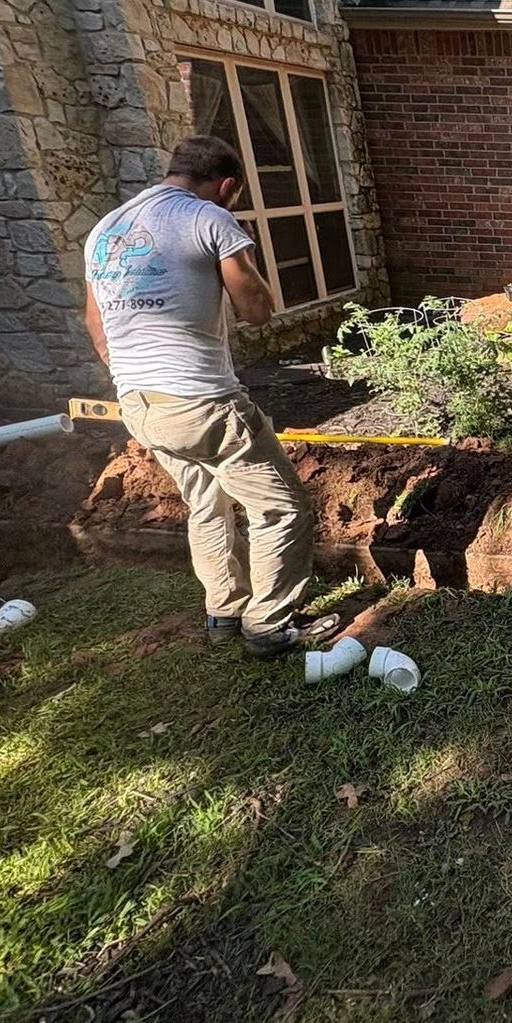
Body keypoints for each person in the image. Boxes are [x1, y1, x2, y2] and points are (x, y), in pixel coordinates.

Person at [83, 136, 331, 657]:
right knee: (279, 510)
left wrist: (138, 378)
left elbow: (96, 325)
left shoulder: (105, 230)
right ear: (226, 186)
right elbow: (257, 310)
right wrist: (245, 254)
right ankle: (267, 626)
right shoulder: (209, 218)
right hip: (202, 402)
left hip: (139, 403)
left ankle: (224, 612)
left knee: (206, 504)